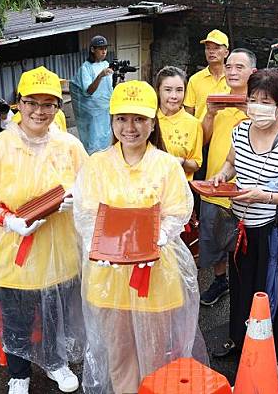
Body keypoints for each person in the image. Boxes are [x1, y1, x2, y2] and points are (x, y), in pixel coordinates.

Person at [72, 80, 207, 393]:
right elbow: (86, 214)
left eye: (138, 119)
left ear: (152, 122)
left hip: (155, 273)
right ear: (112, 122)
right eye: (121, 118)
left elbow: (177, 211)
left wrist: (156, 238)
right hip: (109, 274)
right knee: (118, 350)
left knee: (155, 351)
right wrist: (107, 248)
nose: (129, 127)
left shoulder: (166, 166)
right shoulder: (97, 164)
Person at [0, 66, 87, 394]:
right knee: (17, 320)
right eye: (32, 102)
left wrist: (81, 199)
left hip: (59, 253)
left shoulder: (69, 146)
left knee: (54, 315)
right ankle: (19, 373)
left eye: (49, 104)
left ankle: (55, 363)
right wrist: (7, 220)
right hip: (12, 255)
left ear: (58, 107)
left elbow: (91, 185)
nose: (39, 111)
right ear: (18, 103)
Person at [210, 68, 278, 360]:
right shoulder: (240, 131)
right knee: (241, 284)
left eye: (266, 102)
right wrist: (221, 174)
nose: (257, 107)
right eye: (253, 99)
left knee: (270, 288)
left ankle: (271, 349)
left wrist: (265, 196)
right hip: (241, 226)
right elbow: (232, 163)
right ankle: (239, 340)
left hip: (274, 229)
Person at [199, 48, 256, 306]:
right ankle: (220, 280)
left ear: (252, 72)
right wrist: (210, 113)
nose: (232, 71)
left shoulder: (259, 105)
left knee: (244, 243)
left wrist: (251, 110)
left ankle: (245, 285)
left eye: (239, 67)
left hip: (247, 189)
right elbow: (202, 139)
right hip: (215, 184)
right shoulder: (218, 101)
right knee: (213, 238)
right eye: (230, 66)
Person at [155, 66, 203, 180]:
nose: (174, 96)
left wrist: (181, 162)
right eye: (168, 90)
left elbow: (196, 164)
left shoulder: (193, 124)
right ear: (158, 90)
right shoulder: (149, 119)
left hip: (180, 188)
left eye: (179, 90)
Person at [71, 35, 114, 154]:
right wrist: (100, 76)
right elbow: (88, 91)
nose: (104, 51)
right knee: (93, 140)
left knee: (106, 137)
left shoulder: (106, 64)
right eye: (100, 48)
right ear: (92, 50)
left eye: (105, 48)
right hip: (92, 111)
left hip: (104, 108)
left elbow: (109, 86)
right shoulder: (86, 68)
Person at [184, 29, 230, 120]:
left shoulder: (234, 78)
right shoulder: (195, 80)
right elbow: (188, 115)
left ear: (226, 53)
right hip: (201, 132)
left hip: (227, 132)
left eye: (216, 48)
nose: (211, 51)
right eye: (208, 48)